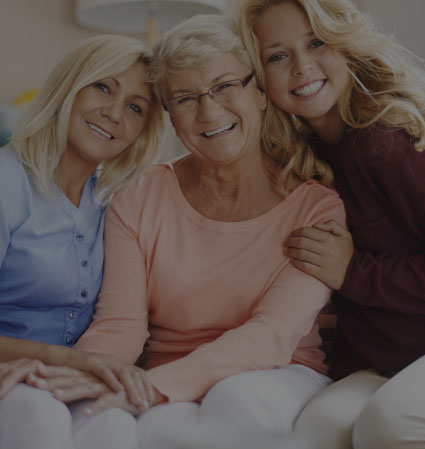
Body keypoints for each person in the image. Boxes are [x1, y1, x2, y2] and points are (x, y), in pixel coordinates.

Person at [28, 14, 346, 449]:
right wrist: (77, 377)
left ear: (259, 93)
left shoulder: (317, 207)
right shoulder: (138, 197)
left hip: (279, 374)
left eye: (225, 86)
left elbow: (269, 335)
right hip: (164, 373)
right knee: (129, 425)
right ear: (171, 118)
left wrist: (150, 386)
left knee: (236, 401)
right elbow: (120, 326)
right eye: (186, 98)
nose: (209, 111)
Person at [239, 0, 425, 448]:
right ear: (260, 79)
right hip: (387, 359)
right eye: (277, 56)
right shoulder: (306, 160)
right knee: (317, 428)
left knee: (390, 422)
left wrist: (353, 272)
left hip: (412, 356)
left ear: (345, 46)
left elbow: (351, 272)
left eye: (316, 42)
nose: (302, 67)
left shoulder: (386, 141)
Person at [0, 34, 163, 449]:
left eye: (134, 107)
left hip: (70, 379)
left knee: (114, 424)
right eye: (103, 87)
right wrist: (68, 360)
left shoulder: (114, 202)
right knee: (40, 416)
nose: (113, 113)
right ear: (70, 85)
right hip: (12, 376)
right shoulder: (7, 181)